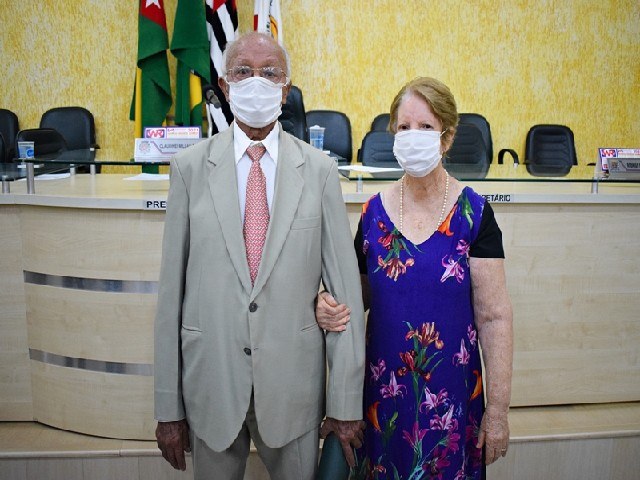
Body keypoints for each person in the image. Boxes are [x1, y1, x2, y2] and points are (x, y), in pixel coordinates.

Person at [154, 32, 365, 480]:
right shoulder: (189, 169)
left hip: (294, 391)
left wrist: (346, 405)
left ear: (286, 89)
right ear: (224, 86)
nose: (256, 82)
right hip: (211, 385)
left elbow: (345, 299)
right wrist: (168, 408)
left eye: (269, 73)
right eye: (243, 72)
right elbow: (171, 296)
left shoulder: (320, 172)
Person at [316, 77, 513, 479]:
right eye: (404, 127)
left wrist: (497, 412)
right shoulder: (372, 213)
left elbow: (494, 318)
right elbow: (356, 296)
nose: (412, 136)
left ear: (447, 137)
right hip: (385, 399)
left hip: (452, 405)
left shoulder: (474, 214)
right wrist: (325, 303)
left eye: (425, 127)